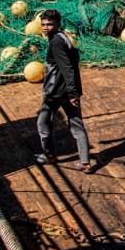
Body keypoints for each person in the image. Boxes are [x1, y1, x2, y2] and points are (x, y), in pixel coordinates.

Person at [35, 9, 94, 172]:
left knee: (43, 122)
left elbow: (67, 68)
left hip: (56, 93)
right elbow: (74, 62)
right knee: (77, 125)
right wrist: (74, 91)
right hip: (69, 91)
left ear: (57, 24)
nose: (46, 27)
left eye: (50, 24)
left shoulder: (56, 43)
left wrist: (72, 93)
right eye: (44, 24)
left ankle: (49, 155)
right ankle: (85, 162)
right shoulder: (64, 37)